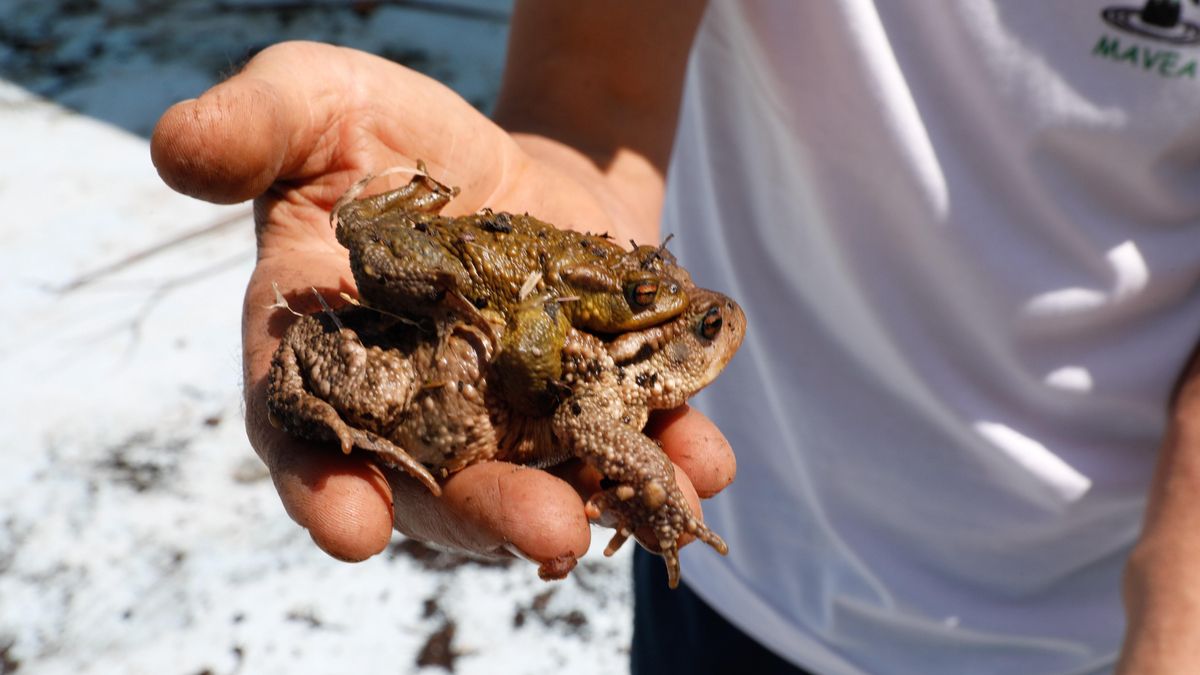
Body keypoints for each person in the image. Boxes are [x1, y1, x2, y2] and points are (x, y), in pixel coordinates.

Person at [151, 2, 1200, 673]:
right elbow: (595, 85)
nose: (711, 320)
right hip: (752, 589)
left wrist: (1179, 586)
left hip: (1108, 599)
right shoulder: (610, 364)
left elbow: (601, 420)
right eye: (689, 317)